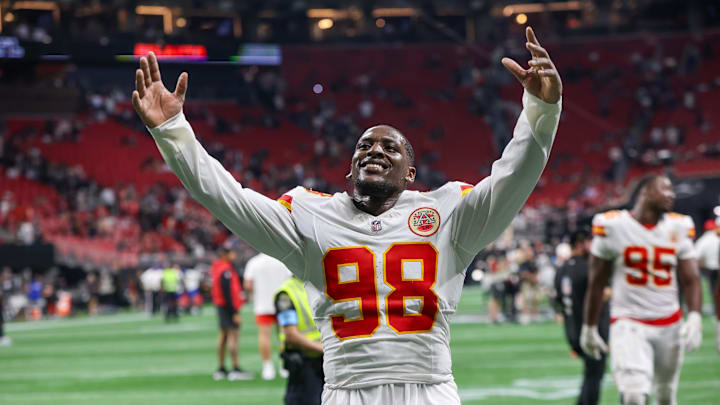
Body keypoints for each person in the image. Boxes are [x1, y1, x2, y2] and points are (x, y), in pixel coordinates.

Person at [132, 26, 561, 404]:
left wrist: (541, 113)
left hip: (429, 388)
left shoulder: (448, 213)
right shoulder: (311, 217)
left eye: (390, 148)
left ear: (410, 173)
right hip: (345, 391)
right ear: (350, 167)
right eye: (364, 146)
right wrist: (172, 131)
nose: (374, 150)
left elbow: (512, 179)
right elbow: (227, 198)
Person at [582, 174, 703, 405]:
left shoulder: (679, 226)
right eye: (664, 189)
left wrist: (695, 316)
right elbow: (597, 282)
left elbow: (691, 279)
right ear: (645, 192)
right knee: (634, 396)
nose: (672, 195)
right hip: (629, 322)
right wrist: (589, 327)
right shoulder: (613, 226)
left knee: (666, 395)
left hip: (670, 322)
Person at [553, 230, 609, 405]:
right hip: (591, 330)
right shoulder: (588, 267)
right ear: (579, 243)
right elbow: (601, 295)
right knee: (595, 375)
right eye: (589, 241)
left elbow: (558, 300)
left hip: (572, 331)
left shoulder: (562, 269)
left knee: (591, 373)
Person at [275, 276, 324, 405]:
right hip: (304, 363)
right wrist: (325, 349)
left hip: (326, 361)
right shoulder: (286, 294)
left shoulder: (320, 284)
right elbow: (291, 335)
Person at [244, 252, 292, 380]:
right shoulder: (281, 259)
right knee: (283, 335)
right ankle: (284, 365)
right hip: (282, 303)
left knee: (264, 336)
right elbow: (290, 279)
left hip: (262, 305)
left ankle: (267, 366)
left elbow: (247, 284)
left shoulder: (254, 262)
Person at [210, 243, 252, 381]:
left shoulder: (218, 267)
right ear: (224, 254)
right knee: (233, 336)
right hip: (228, 308)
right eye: (231, 253)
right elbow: (227, 293)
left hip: (222, 307)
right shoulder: (225, 270)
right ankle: (235, 368)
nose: (234, 256)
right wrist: (234, 312)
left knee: (223, 337)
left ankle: (221, 368)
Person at [695, 217, 719, 314]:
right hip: (715, 268)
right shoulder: (714, 237)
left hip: (710, 269)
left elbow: (696, 256)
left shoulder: (704, 239)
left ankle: (716, 308)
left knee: (714, 291)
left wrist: (702, 265)